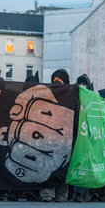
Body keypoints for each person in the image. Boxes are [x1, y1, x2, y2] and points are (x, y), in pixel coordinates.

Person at [39, 69, 71, 203]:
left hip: (65, 137)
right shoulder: (47, 94)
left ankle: (61, 194)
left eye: (60, 79)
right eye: (55, 79)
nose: (57, 82)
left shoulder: (70, 94)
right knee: (46, 165)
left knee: (63, 166)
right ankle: (47, 193)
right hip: (48, 135)